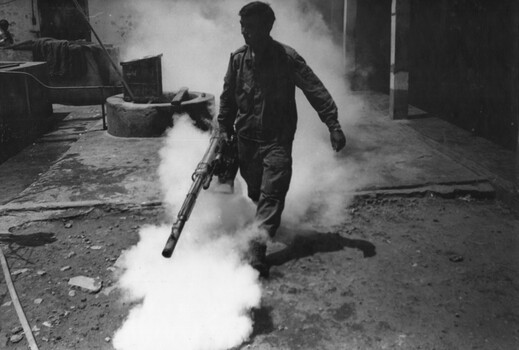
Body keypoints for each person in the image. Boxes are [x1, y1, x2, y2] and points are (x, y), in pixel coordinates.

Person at [217, 1, 346, 277]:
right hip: (246, 141)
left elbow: (315, 89)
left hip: (277, 141)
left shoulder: (286, 58)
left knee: (272, 194)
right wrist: (223, 128)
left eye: (251, 27)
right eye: (242, 27)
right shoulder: (238, 60)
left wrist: (333, 124)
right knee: (256, 192)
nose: (245, 33)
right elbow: (228, 99)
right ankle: (262, 223)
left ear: (267, 27)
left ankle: (256, 250)